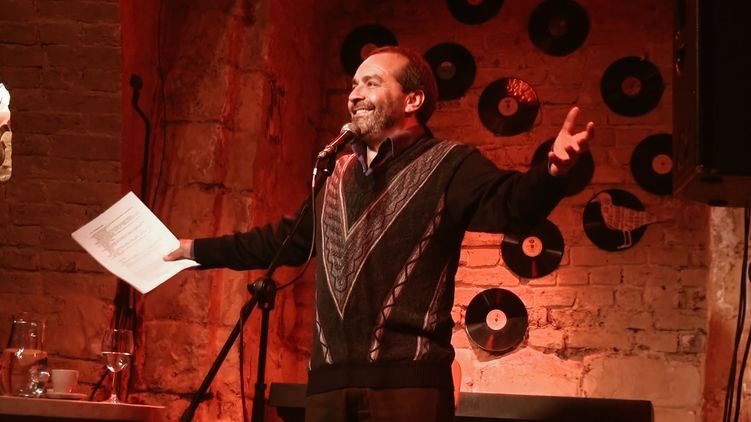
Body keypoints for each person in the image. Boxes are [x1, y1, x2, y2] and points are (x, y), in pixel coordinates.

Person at [165, 46, 594, 422]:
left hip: (408, 387)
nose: (355, 94)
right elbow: (283, 241)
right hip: (328, 387)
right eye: (354, 84)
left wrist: (553, 171)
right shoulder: (336, 173)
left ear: (413, 99)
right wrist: (193, 249)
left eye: (371, 83)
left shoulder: (450, 163)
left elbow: (512, 205)